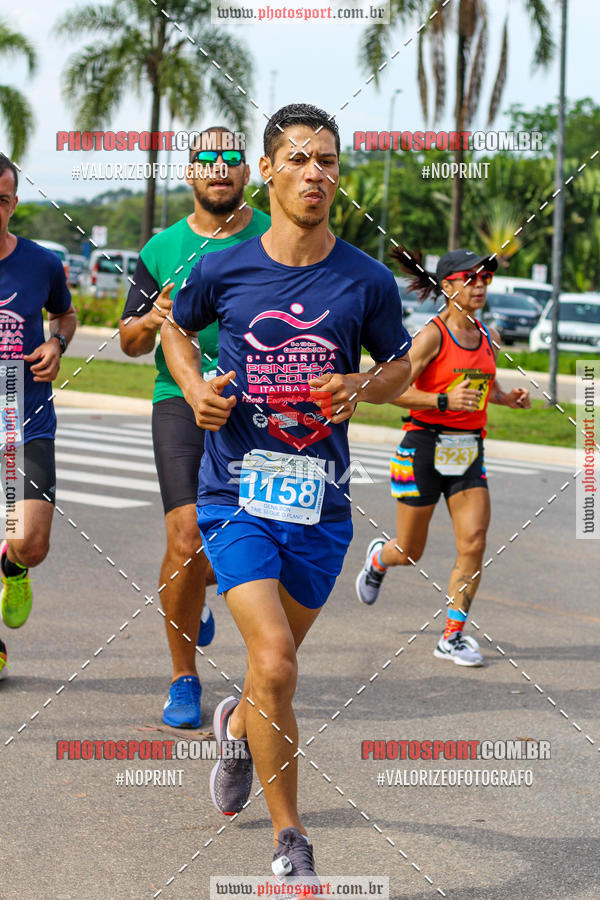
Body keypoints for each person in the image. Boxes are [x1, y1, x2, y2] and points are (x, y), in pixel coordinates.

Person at [161, 102, 412, 886]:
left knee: (273, 676)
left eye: (329, 160)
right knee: (275, 660)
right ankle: (291, 839)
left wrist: (366, 383)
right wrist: (195, 384)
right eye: (300, 159)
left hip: (321, 509)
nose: (316, 173)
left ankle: (237, 725)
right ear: (266, 170)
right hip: (235, 494)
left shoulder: (365, 280)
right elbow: (174, 326)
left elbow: (403, 368)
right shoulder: (225, 266)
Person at [120, 128, 270, 728]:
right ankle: (184, 676)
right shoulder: (162, 248)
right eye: (206, 160)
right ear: (191, 173)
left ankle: (197, 589)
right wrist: (154, 316)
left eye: (231, 159)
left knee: (234, 540)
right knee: (186, 537)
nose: (219, 170)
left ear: (246, 173)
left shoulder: (270, 234)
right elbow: (129, 341)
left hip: (256, 402)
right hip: (179, 402)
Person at [356, 247, 531, 666]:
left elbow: (480, 386)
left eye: (485, 279)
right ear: (447, 285)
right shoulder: (432, 335)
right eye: (470, 279)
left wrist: (507, 398)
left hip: (468, 448)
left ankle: (452, 635)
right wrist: (442, 399)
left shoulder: (483, 333)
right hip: (423, 444)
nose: (479, 286)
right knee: (410, 550)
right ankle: (381, 557)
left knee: (473, 541)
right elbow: (389, 389)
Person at [0, 153, 77, 677]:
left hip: (20, 414)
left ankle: (12, 566)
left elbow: (65, 315)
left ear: (13, 204)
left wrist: (56, 342)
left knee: (31, 541)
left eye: (0, 200)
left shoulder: (41, 263)